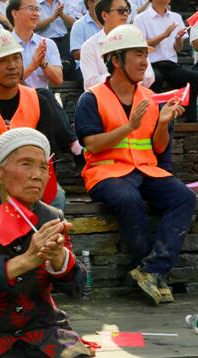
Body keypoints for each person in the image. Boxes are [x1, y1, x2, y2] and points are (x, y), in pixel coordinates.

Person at [74, 24, 196, 304]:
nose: (144, 61)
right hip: (106, 172)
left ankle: (151, 270)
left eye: (146, 54)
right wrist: (129, 126)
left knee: (183, 198)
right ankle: (150, 271)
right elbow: (91, 144)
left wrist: (164, 124)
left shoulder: (151, 99)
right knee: (128, 199)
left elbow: (159, 147)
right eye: (138, 54)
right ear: (115, 60)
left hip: (146, 169)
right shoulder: (90, 98)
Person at [0, 127, 94, 357]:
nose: (37, 175)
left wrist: (60, 260)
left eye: (43, 167)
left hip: (42, 329)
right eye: (26, 164)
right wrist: (27, 260)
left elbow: (78, 286)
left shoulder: (51, 216)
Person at [0, 28, 65, 206]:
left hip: (31, 174)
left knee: (56, 197)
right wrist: (9, 177)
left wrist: (27, 175)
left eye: (16, 58)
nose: (12, 66)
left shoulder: (38, 101)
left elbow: (48, 150)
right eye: (3, 61)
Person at [134, 0, 198, 123]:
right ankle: (154, 119)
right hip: (150, 64)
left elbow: (178, 48)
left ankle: (191, 120)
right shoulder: (141, 18)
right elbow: (141, 45)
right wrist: (165, 34)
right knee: (154, 78)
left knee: (194, 78)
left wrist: (178, 38)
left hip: (170, 64)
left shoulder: (176, 17)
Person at [80, 0, 154, 91]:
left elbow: (149, 77)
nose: (126, 14)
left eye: (127, 10)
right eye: (121, 10)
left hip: (135, 96)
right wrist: (124, 77)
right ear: (105, 15)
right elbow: (90, 84)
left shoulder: (135, 40)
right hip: (105, 101)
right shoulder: (89, 46)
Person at [8, 0, 63, 88]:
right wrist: (32, 66)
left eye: (37, 9)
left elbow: (58, 80)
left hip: (40, 98)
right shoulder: (5, 45)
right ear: (15, 13)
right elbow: (7, 83)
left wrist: (43, 63)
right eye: (31, 9)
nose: (36, 14)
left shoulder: (47, 44)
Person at [35, 0, 77, 79]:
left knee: (71, 40)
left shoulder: (64, 2)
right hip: (44, 40)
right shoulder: (35, 3)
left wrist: (62, 14)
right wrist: (53, 17)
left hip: (64, 39)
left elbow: (73, 24)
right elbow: (35, 26)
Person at [69, 0, 101, 80]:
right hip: (86, 66)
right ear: (90, 3)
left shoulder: (109, 22)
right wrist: (98, 54)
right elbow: (76, 54)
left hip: (106, 65)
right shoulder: (79, 25)